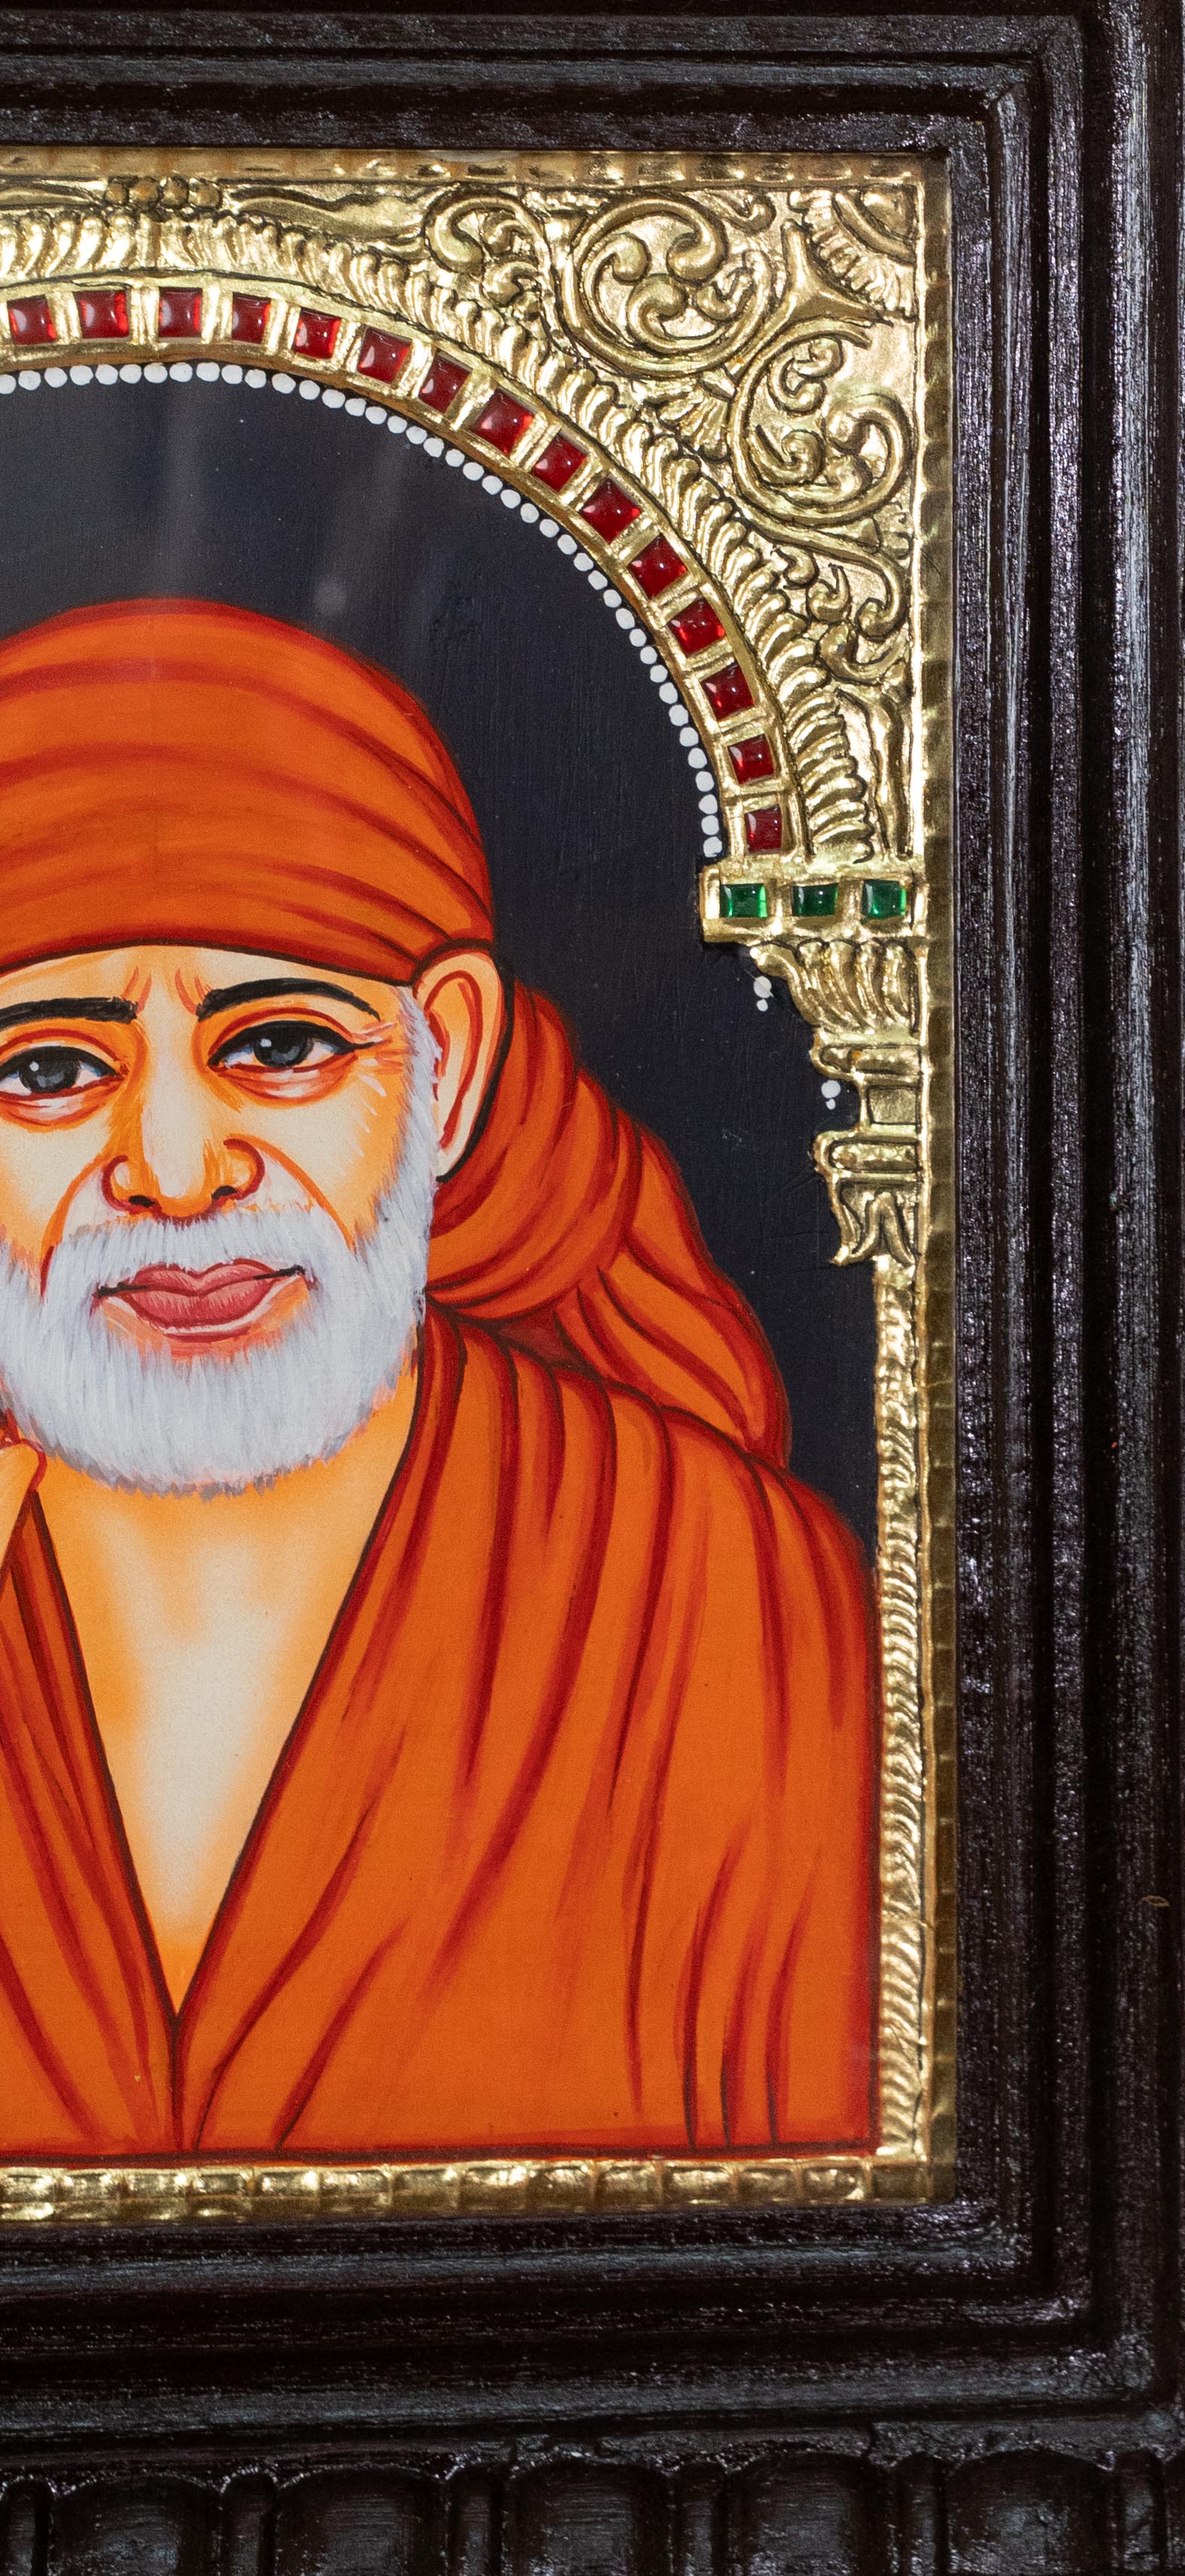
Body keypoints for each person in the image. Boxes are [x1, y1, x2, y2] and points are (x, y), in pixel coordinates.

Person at [0, 599, 876, 2162]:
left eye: (280, 1046)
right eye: (51, 1070)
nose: (177, 1171)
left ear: (449, 1062)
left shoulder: (720, 1598)